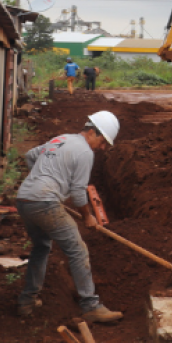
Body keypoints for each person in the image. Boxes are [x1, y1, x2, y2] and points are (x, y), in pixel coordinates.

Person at [15, 111, 123, 323]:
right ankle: (90, 306)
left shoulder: (60, 139)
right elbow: (77, 192)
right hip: (44, 202)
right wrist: (88, 217)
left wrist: (41, 180)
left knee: (41, 247)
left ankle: (27, 302)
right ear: (92, 132)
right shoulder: (85, 152)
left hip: (24, 199)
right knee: (77, 250)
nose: (102, 148)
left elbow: (30, 155)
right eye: (102, 142)